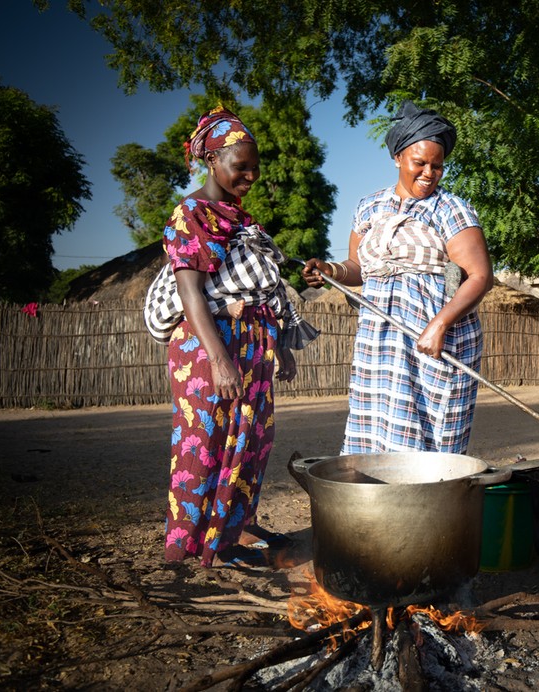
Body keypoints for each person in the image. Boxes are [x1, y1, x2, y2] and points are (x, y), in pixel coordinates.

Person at [151, 106, 316, 571]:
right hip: (209, 347)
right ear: (211, 160)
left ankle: (228, 540)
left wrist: (280, 344)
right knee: (203, 443)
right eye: (239, 166)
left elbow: (266, 290)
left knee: (250, 442)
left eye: (254, 169)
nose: (249, 176)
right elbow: (190, 294)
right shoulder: (191, 215)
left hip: (254, 344)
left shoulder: (243, 222)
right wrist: (219, 359)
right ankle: (185, 549)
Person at [302, 100, 493, 454]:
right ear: (398, 158)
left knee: (434, 446)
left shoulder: (451, 209)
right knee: (376, 439)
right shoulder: (369, 206)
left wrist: (439, 324)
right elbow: (358, 267)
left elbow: (480, 276)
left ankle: (433, 507)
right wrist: (331, 271)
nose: (429, 173)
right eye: (420, 163)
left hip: (437, 339)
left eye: (438, 166)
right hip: (381, 339)